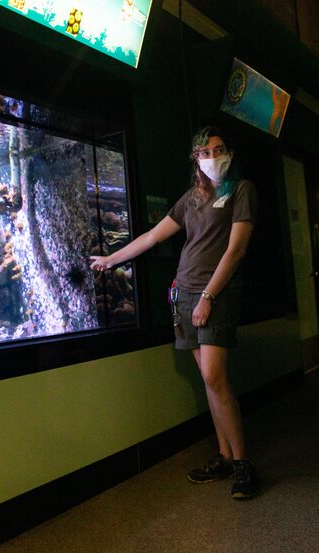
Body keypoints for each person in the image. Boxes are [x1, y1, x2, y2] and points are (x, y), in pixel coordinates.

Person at [90, 125, 259, 499]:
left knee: (215, 376)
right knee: (207, 380)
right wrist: (110, 260)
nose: (213, 157)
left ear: (228, 152)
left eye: (218, 149)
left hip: (215, 295)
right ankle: (225, 455)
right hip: (183, 293)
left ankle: (244, 464)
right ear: (196, 159)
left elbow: (236, 251)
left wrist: (209, 298)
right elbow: (152, 237)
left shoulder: (242, 191)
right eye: (205, 152)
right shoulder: (192, 197)